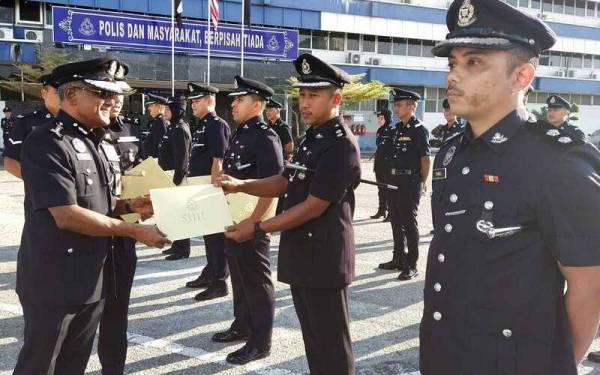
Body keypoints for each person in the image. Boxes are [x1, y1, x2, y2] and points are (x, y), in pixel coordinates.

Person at [420, 1, 600, 374]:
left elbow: (590, 285)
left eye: (474, 62)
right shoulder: (452, 153)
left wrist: (556, 365)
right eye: (452, 63)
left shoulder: (556, 162)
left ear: (521, 76)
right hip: (445, 353)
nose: (453, 76)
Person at [13, 58, 169, 375]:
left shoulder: (95, 140)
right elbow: (67, 214)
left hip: (93, 279)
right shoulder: (47, 142)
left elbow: (98, 203)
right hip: (54, 282)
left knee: (73, 365)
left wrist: (131, 207)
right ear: (72, 96)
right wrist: (135, 231)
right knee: (41, 366)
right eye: (101, 93)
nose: (111, 101)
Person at [218, 53, 360, 375]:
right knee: (313, 340)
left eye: (314, 95)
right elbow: (285, 181)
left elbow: (313, 206)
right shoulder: (313, 136)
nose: (305, 103)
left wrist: (256, 228)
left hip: (325, 258)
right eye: (302, 95)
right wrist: (241, 185)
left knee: (332, 346)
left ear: (335, 98)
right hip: (302, 253)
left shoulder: (341, 144)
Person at [210, 75, 283, 365]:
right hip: (232, 218)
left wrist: (254, 222)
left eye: (240, 99)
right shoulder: (240, 133)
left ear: (258, 104)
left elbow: (274, 186)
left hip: (252, 223)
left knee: (256, 280)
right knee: (239, 278)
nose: (234, 104)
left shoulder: (266, 136)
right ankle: (242, 325)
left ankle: (261, 341)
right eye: (234, 99)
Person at [97, 90, 144, 375]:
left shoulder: (130, 129)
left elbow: (139, 172)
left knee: (116, 316)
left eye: (120, 95)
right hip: (83, 243)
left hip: (123, 235)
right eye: (107, 94)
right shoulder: (58, 138)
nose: (115, 101)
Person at [184, 82, 231, 301]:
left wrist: (214, 189)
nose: (192, 105)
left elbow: (218, 159)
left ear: (210, 101)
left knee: (216, 236)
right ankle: (211, 271)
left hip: (210, 188)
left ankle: (220, 281)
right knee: (208, 235)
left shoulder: (216, 124)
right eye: (192, 101)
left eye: (197, 100)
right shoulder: (203, 125)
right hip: (200, 186)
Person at [378, 89, 430, 280]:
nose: (396, 108)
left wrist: (422, 183)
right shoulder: (397, 128)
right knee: (395, 220)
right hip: (394, 180)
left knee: (409, 223)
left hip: (410, 181)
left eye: (400, 105)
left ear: (412, 106)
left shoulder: (419, 129)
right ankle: (398, 259)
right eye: (396, 105)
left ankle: (412, 264)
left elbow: (425, 160)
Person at [4, 73, 60, 179]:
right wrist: (36, 181)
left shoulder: (77, 122)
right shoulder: (26, 122)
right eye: (58, 93)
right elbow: (10, 161)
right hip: (42, 193)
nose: (63, 98)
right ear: (44, 93)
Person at [158, 95, 192, 260]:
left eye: (168, 109)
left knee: (180, 214)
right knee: (174, 213)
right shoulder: (172, 127)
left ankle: (182, 249)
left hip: (176, 178)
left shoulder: (179, 128)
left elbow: (182, 158)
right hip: (168, 176)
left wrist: (176, 181)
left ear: (176, 111)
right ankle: (177, 244)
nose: (164, 112)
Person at [371, 109, 394, 221]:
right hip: (379, 164)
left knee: (389, 189)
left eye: (381, 118)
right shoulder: (380, 130)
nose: (379, 120)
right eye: (378, 118)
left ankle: (391, 213)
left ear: (387, 118)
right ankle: (382, 210)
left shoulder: (393, 130)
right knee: (381, 189)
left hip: (388, 165)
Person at [142, 93, 168, 158]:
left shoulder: (161, 121)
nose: (148, 108)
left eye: (151, 105)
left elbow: (161, 145)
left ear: (159, 106)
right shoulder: (157, 121)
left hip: (155, 162)